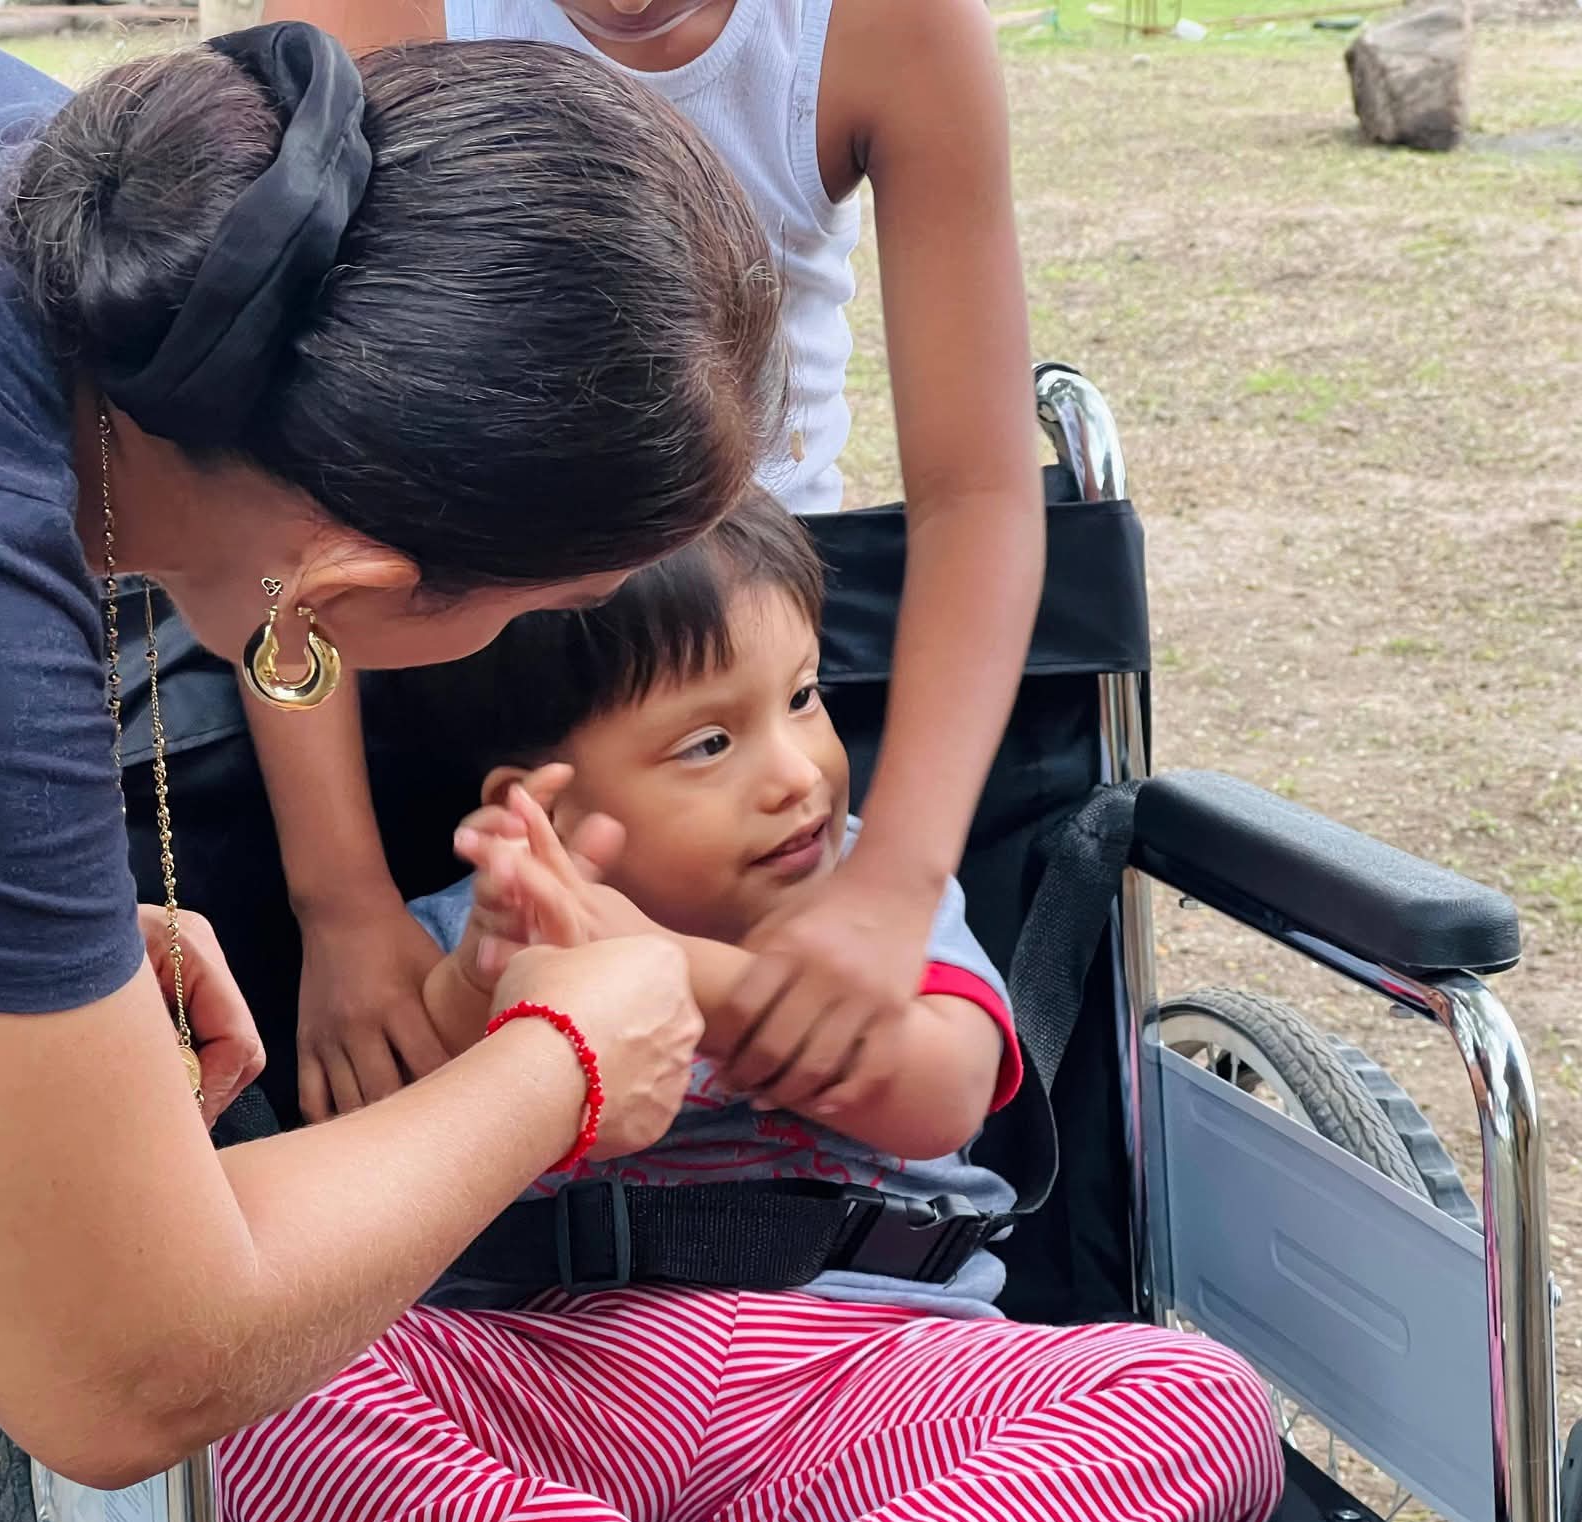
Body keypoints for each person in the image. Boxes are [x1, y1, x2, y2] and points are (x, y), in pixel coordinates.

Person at [0, 0, 789, 1487]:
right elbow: (121, 1368)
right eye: (554, 608)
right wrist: (566, 1060)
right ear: (339, 590)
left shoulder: (56, 184)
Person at [212, 497, 1284, 1522]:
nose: (795, 773)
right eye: (709, 745)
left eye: (804, 697)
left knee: (1195, 1400)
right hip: (537, 1372)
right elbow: (387, 1170)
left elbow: (941, 1098)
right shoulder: (474, 933)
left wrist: (670, 971)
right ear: (546, 808)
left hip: (869, 1371)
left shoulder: (875, 900)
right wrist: (474, 992)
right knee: (244, 1399)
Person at [146, 0, 1045, 1134]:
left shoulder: (890, 28)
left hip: (744, 593)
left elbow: (977, 492)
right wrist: (342, 902)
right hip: (438, 601)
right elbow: (282, 494)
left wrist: (897, 880)